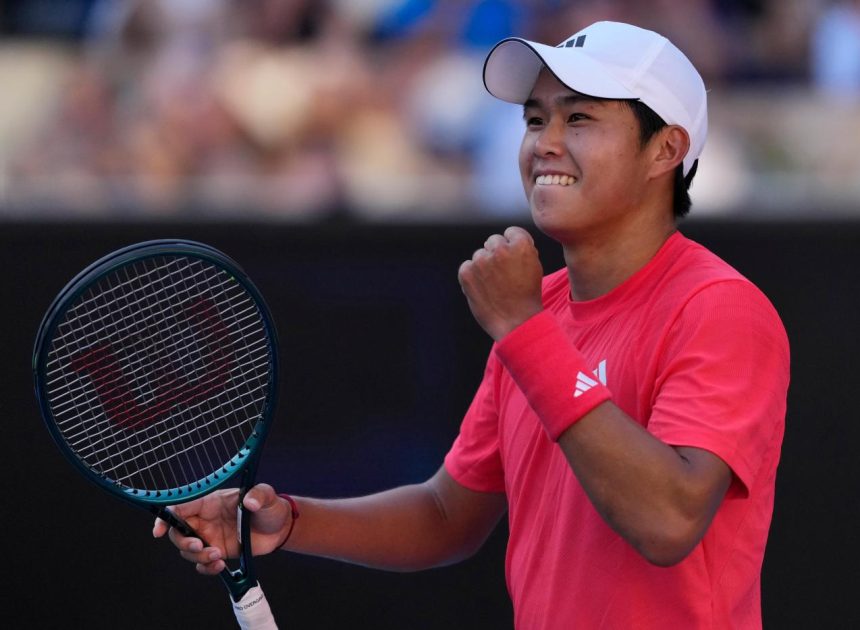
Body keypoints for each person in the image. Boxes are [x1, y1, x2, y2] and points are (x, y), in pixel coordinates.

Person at [154, 21, 789, 628]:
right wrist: (289, 521)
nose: (544, 141)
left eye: (580, 117)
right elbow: (446, 515)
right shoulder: (537, 313)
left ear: (666, 149)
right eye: (535, 118)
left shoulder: (717, 307)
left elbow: (669, 522)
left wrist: (524, 332)